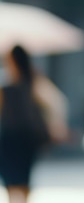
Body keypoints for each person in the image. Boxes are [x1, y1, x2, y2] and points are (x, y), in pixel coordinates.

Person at [0, 45, 51, 203]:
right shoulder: (34, 81)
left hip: (9, 138)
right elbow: (53, 104)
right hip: (27, 137)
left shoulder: (7, 86)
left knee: (11, 181)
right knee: (22, 179)